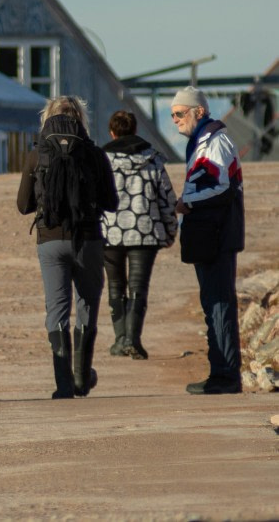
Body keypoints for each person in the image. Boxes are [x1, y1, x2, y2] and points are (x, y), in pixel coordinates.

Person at [17, 96, 118, 399]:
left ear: (47, 118)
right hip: (87, 240)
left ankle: (63, 386)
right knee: (87, 305)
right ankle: (81, 379)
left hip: (49, 241)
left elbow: (23, 205)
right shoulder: (95, 154)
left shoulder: (37, 155)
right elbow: (112, 203)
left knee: (57, 310)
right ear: (80, 119)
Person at [170, 87, 245, 394]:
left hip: (217, 236)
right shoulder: (204, 142)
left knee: (219, 305)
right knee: (213, 303)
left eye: (179, 114)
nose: (175, 120)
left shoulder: (214, 142)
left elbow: (221, 186)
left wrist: (188, 200)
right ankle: (221, 371)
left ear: (198, 112)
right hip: (208, 236)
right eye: (172, 114)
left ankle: (226, 375)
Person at [100, 110, 178, 360]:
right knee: (138, 288)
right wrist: (170, 231)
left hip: (109, 232)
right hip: (145, 232)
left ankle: (120, 339)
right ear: (135, 131)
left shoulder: (102, 160)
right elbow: (167, 198)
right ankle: (134, 340)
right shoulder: (153, 159)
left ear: (112, 133)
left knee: (115, 286)